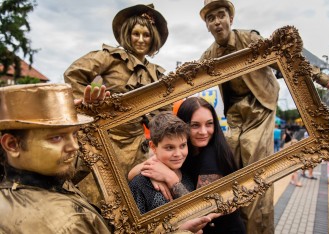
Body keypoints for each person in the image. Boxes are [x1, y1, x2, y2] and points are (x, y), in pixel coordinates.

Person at [198, 0, 329, 233]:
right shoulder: (209, 54)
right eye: (211, 18)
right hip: (236, 113)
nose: (217, 21)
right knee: (230, 163)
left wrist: (322, 78)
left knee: (255, 166)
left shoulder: (250, 38)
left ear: (231, 18)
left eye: (221, 15)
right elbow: (185, 82)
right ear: (206, 25)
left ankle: (257, 227)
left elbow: (287, 55)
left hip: (261, 106)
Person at [64, 3, 172, 207]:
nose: (140, 40)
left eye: (146, 35)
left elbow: (165, 112)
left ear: (153, 39)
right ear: (127, 34)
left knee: (132, 205)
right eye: (136, 33)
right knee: (98, 202)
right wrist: (88, 107)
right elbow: (73, 74)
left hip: (137, 148)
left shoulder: (157, 73)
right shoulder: (110, 57)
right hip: (105, 142)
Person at [0, 83, 112, 233]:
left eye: (74, 134)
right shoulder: (70, 224)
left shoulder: (38, 176)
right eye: (56, 137)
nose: (74, 146)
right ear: (12, 144)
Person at [130, 97, 246, 234]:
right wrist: (153, 172)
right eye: (195, 125)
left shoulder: (210, 159)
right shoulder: (184, 149)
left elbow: (201, 211)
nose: (203, 132)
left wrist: (170, 178)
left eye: (209, 124)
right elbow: (132, 174)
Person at [129, 112, 193, 214]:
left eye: (183, 145)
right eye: (169, 147)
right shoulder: (140, 184)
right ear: (153, 147)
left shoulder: (189, 171)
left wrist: (171, 178)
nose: (178, 154)